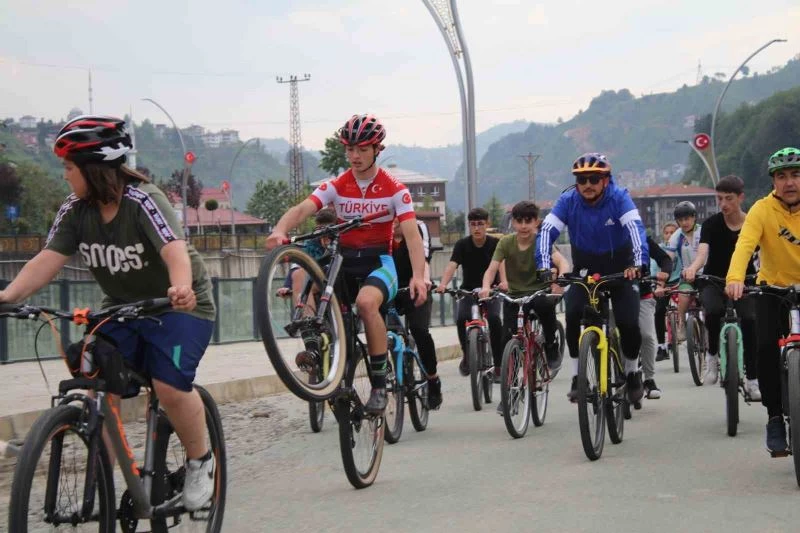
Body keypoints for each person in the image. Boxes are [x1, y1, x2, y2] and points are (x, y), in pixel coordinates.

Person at [0, 116, 217, 510]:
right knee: (94, 373)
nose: (64, 176)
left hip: (181, 306)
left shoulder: (143, 200)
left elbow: (174, 251)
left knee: (168, 385)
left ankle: (201, 461)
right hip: (121, 310)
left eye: (69, 167)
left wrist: (181, 287)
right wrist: (8, 296)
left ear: (94, 168)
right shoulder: (75, 210)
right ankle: (102, 476)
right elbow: (47, 259)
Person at [266, 114, 427, 415]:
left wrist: (418, 275)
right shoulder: (337, 185)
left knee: (367, 304)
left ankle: (379, 384)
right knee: (314, 289)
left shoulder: (395, 190)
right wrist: (279, 230)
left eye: (362, 149)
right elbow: (303, 208)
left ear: (377, 149)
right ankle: (317, 348)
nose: (354, 156)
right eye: (349, 149)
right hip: (344, 262)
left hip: (378, 262)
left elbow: (411, 234)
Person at [537, 152, 649, 405]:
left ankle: (632, 372)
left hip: (622, 268)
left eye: (594, 179)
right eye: (582, 179)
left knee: (628, 323)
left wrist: (639, 263)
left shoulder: (619, 197)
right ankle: (578, 377)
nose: (587, 184)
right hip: (586, 270)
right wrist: (544, 265)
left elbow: (636, 230)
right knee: (574, 314)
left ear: (606, 181)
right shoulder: (567, 200)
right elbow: (546, 231)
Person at [726, 147, 800, 455]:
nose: (789, 183)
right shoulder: (761, 209)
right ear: (773, 181)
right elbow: (745, 244)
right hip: (774, 290)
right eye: (781, 176)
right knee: (766, 347)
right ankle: (773, 418)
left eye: (796, 175)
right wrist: (734, 278)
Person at [479, 200, 569, 413]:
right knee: (507, 339)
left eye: (529, 221)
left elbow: (562, 262)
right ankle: (509, 391)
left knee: (544, 307)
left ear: (536, 222)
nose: (524, 225)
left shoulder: (542, 241)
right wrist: (485, 287)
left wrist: (561, 280)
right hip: (515, 296)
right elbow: (491, 270)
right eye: (519, 221)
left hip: (538, 292)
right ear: (513, 223)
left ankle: (550, 345)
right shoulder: (506, 243)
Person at [684, 175, 759, 395]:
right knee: (713, 310)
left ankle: (753, 379)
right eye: (719, 199)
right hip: (714, 280)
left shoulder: (752, 223)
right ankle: (712, 356)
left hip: (745, 281)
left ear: (740, 198)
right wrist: (693, 268)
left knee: (750, 320)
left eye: (729, 198)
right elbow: (702, 252)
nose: (724, 204)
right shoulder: (711, 224)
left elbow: (761, 254)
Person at [435, 207, 503, 378]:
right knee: (460, 318)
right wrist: (443, 284)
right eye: (473, 224)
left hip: (491, 291)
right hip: (468, 291)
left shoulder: (495, 243)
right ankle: (467, 355)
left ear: (487, 224)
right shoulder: (462, 245)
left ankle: (499, 363)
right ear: (469, 226)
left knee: (494, 319)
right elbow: (452, 265)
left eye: (480, 224)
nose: (477, 228)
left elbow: (502, 265)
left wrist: (503, 283)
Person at [391, 217, 441, 408]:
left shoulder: (418, 227)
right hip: (390, 289)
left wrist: (423, 280)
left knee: (419, 330)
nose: (394, 222)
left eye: (398, 217)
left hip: (416, 285)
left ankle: (432, 378)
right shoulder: (380, 231)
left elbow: (424, 259)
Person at [276, 208, 336, 303]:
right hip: (317, 280)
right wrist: (287, 286)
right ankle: (306, 316)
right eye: (320, 229)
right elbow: (298, 265)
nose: (325, 234)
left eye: (329, 229)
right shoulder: (311, 244)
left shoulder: (341, 241)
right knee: (300, 277)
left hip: (337, 279)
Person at [641, 235, 672, 399]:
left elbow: (664, 258)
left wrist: (665, 273)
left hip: (641, 294)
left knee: (646, 335)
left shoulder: (643, 239)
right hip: (612, 293)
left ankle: (649, 379)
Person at [666, 201, 701, 340]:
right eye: (680, 220)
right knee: (683, 294)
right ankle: (681, 324)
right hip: (686, 275)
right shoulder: (676, 235)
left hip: (705, 274)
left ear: (694, 217)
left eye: (687, 219)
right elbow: (669, 257)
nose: (684, 222)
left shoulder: (702, 231)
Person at [654, 222, 678, 361]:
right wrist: (657, 285)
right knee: (659, 310)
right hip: (662, 284)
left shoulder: (681, 247)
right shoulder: (660, 249)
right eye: (666, 232)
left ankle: (691, 332)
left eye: (672, 232)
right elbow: (653, 267)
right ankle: (661, 346)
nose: (669, 235)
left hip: (678, 282)